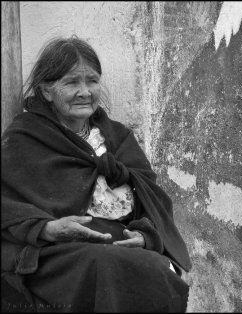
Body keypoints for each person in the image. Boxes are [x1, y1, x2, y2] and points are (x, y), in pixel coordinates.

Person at [1, 36, 192, 313]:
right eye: (71, 82)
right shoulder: (25, 138)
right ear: (46, 90)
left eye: (92, 81)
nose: (85, 91)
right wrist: (48, 229)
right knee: (108, 265)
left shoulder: (117, 135)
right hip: (58, 252)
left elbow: (153, 200)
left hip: (118, 244)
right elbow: (8, 207)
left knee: (158, 268)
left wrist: (146, 236)